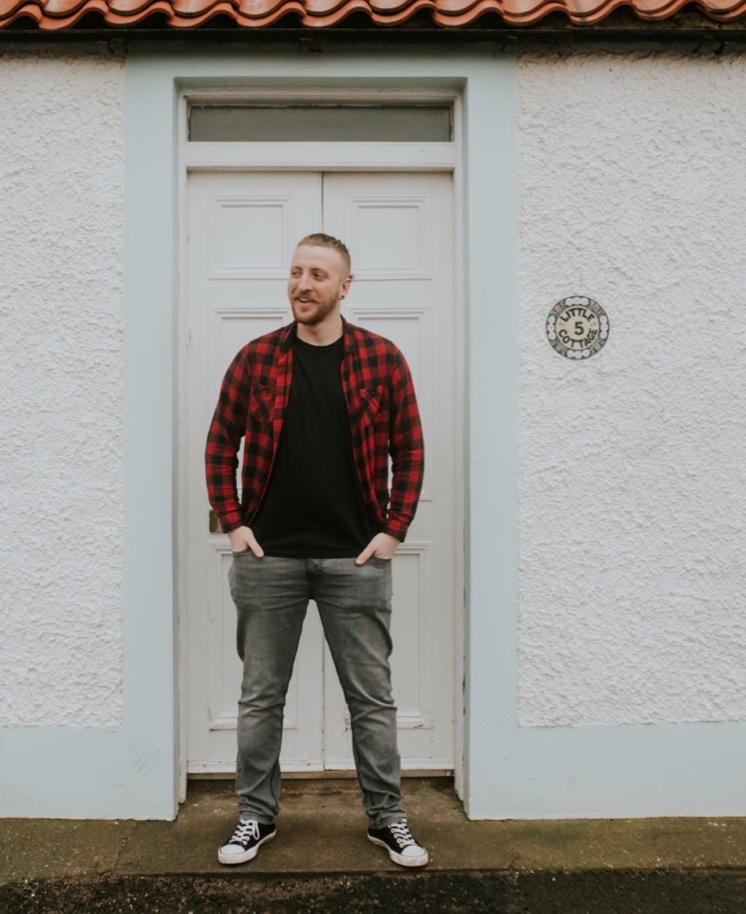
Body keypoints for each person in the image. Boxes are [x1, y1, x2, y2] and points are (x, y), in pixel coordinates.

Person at [204, 232, 428, 868]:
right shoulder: (256, 359)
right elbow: (220, 444)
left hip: (355, 560)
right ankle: (255, 816)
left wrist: (393, 529)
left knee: (372, 699)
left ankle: (387, 818)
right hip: (268, 558)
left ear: (344, 287)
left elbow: (409, 450)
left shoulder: (382, 359)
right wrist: (234, 524)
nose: (302, 285)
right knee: (260, 698)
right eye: (296, 272)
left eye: (318, 275)